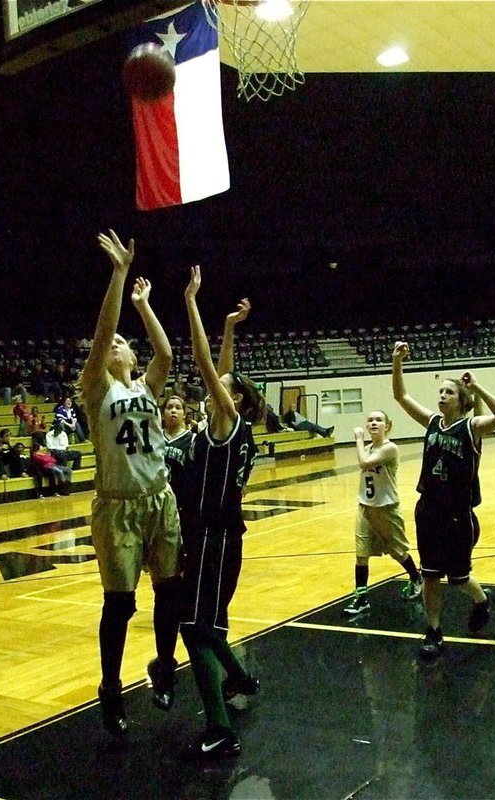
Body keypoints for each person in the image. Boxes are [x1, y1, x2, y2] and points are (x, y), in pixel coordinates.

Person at [77, 229, 182, 737]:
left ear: (132, 359)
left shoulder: (147, 384)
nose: (114, 344)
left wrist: (145, 306)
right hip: (116, 505)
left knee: (169, 591)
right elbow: (101, 336)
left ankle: (164, 667)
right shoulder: (97, 388)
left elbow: (163, 353)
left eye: (122, 343)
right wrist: (119, 275)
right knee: (119, 603)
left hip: (158, 499)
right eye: (112, 343)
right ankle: (110, 688)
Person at [180, 268, 265, 761]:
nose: (211, 387)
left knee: (196, 629)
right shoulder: (230, 422)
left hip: (216, 538)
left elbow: (206, 364)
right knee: (205, 626)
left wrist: (192, 301)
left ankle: (220, 727)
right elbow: (223, 371)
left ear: (231, 400)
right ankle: (239, 677)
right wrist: (230, 328)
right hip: (212, 538)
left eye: (220, 387)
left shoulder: (230, 425)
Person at [392, 342, 495, 661]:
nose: (442, 396)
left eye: (449, 392)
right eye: (441, 392)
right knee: (430, 574)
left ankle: (482, 599)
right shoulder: (432, 422)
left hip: (458, 516)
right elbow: (401, 397)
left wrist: (479, 387)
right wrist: (396, 362)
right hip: (428, 510)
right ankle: (434, 631)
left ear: (461, 401)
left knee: (458, 579)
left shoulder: (471, 427)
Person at [344, 410, 422, 616]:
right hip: (365, 508)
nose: (374, 423)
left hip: (387, 509)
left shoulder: (390, 449)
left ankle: (416, 579)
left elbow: (364, 463)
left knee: (398, 552)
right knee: (361, 554)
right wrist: (363, 443)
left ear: (387, 426)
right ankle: (361, 598)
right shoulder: (368, 448)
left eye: (379, 420)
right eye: (370, 420)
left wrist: (359, 439)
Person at [161, 395, 194, 514]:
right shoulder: (154, 437)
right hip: (157, 499)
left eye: (178, 408)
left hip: (182, 500)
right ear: (163, 414)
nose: (173, 411)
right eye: (169, 407)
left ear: (184, 414)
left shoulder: (192, 439)